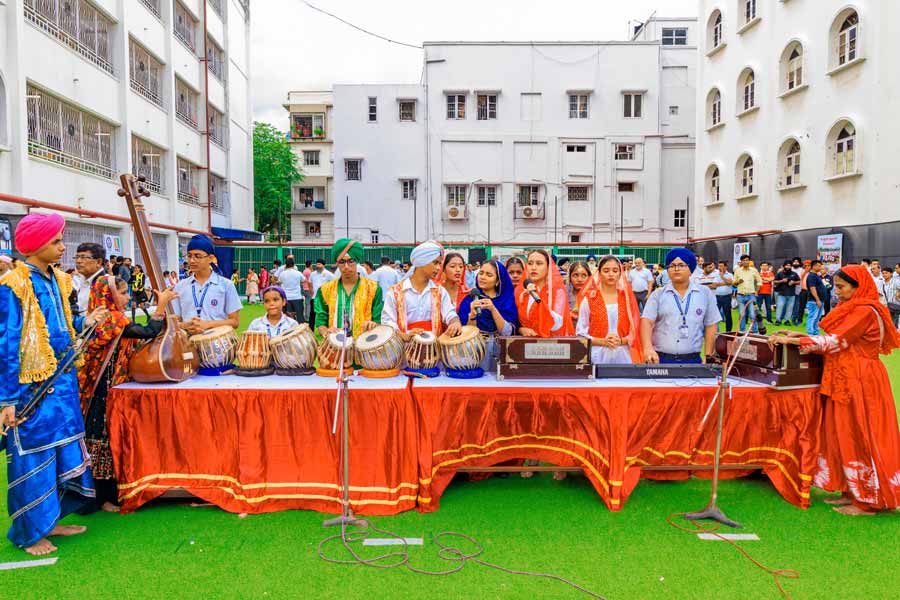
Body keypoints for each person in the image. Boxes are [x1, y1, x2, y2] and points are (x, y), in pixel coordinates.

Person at [1, 213, 109, 556]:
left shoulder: (59, 280)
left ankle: (50, 521)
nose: (63, 247)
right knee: (33, 456)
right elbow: (7, 343)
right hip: (31, 389)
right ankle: (29, 533)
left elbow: (62, 324)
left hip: (63, 383)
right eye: (56, 241)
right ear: (35, 246)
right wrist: (7, 399)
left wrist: (86, 320)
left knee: (61, 452)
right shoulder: (14, 284)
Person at [768, 265, 900, 515]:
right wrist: (797, 336)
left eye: (841, 287)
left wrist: (793, 340)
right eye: (836, 286)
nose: (836, 291)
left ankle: (867, 501)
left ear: (858, 287)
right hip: (845, 375)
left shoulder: (865, 311)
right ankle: (850, 491)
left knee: (860, 433)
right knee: (843, 432)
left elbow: (835, 341)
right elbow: (838, 338)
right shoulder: (854, 308)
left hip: (861, 379)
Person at [78, 276, 176, 513]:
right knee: (102, 441)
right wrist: (161, 305)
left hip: (100, 390)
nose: (127, 297)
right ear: (109, 296)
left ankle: (101, 496)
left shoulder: (103, 317)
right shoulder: (110, 319)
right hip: (103, 391)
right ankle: (103, 498)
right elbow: (147, 331)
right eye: (122, 293)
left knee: (101, 440)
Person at [640, 248, 721, 364]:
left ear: (690, 269)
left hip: (693, 360)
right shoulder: (658, 294)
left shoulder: (704, 293)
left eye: (681, 265)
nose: (676, 269)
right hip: (661, 360)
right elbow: (646, 321)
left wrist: (708, 356)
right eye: (672, 265)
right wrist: (648, 348)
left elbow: (711, 325)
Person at [382, 241, 462, 340]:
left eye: (440, 264)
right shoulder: (395, 292)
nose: (438, 268)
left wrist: (455, 322)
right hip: (404, 347)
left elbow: (449, 313)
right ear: (422, 262)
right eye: (435, 263)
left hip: (434, 347)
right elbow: (388, 322)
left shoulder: (439, 291)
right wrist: (404, 335)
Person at [576, 255, 643, 365]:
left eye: (615, 271)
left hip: (623, 356)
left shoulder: (627, 298)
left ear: (620, 274)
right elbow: (580, 333)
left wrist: (621, 341)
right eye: (606, 271)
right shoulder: (589, 299)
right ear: (599, 273)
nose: (611, 274)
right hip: (596, 356)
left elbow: (635, 330)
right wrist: (603, 342)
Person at [172, 235, 241, 338]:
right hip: (188, 343)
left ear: (211, 258)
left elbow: (235, 322)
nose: (192, 260)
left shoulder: (226, 285)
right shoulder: (180, 287)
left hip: (218, 343)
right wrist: (185, 326)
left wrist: (208, 324)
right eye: (189, 256)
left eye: (197, 256)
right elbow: (174, 322)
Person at [314, 239, 382, 338]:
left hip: (364, 343)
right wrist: (326, 331)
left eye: (351, 261)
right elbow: (321, 321)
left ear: (357, 262)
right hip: (335, 344)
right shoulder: (325, 289)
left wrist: (373, 324)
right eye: (342, 262)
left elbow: (378, 320)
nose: (346, 266)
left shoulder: (373, 288)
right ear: (337, 264)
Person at [459, 260, 518, 372]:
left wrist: (493, 309)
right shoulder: (469, 300)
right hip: (475, 352)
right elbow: (465, 336)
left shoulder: (507, 301)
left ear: (498, 281)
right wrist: (472, 316)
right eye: (481, 273)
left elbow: (508, 333)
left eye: (489, 275)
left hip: (500, 352)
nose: (482, 277)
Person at [516, 249, 574, 337]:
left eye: (539, 263)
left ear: (548, 267)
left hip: (550, 343)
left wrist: (538, 298)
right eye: (530, 263)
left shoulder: (558, 292)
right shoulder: (521, 292)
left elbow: (557, 324)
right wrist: (520, 329)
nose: (533, 267)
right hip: (525, 343)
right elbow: (515, 321)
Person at [73, 243, 106, 316]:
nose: (78, 261)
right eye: (77, 257)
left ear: (98, 262)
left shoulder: (107, 283)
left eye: (83, 257)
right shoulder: (79, 281)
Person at [733, 254, 762, 333]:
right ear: (741, 262)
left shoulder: (754, 270)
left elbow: (759, 282)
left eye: (747, 260)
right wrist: (738, 282)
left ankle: (755, 331)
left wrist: (756, 291)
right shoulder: (737, 270)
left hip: (751, 296)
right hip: (740, 296)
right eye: (744, 260)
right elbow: (734, 283)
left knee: (752, 314)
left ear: (749, 261)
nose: (746, 262)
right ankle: (742, 331)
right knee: (742, 314)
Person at [307, 258, 335, 328]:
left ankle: (327, 329)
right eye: (317, 264)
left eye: (319, 264)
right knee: (312, 314)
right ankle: (311, 329)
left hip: (324, 299)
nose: (317, 266)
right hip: (314, 298)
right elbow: (309, 282)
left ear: (323, 265)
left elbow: (335, 284)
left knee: (325, 314)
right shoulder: (313, 274)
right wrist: (311, 291)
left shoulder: (329, 274)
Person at [773, 261, 800, 325]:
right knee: (780, 307)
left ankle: (787, 321)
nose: (788, 267)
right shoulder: (780, 273)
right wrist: (781, 281)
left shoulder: (794, 274)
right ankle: (778, 320)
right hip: (781, 294)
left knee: (790, 308)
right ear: (784, 266)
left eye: (789, 265)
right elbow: (774, 281)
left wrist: (793, 282)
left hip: (791, 294)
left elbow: (799, 281)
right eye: (787, 265)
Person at [711, 261, 734, 332]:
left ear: (725, 267)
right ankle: (716, 331)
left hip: (727, 297)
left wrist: (722, 277)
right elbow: (714, 285)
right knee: (715, 315)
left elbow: (731, 283)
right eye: (719, 266)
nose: (719, 267)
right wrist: (726, 283)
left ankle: (728, 331)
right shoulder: (716, 274)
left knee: (727, 314)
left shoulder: (730, 275)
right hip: (717, 297)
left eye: (721, 266)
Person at [805, 260, 826, 335]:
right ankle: (810, 333)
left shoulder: (816, 275)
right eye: (819, 266)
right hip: (814, 301)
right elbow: (812, 288)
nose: (821, 267)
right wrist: (817, 300)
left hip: (820, 300)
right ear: (814, 266)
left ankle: (816, 333)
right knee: (813, 317)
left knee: (817, 318)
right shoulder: (811, 276)